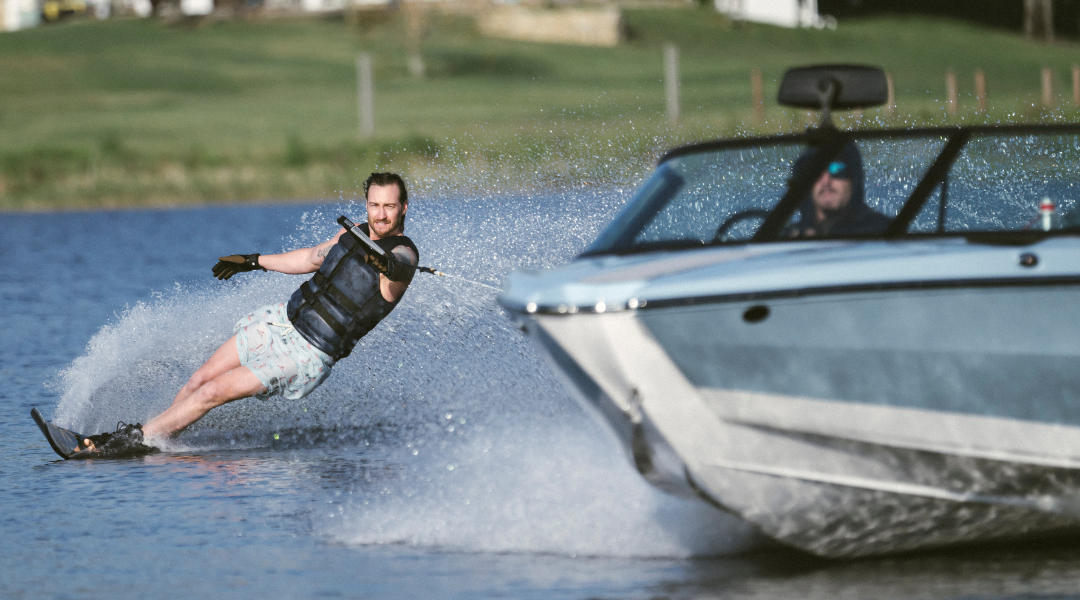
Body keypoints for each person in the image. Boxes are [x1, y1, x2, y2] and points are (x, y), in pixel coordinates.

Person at [77, 172, 419, 458]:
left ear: (403, 207)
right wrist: (253, 261)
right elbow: (310, 258)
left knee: (212, 392)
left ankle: (127, 441)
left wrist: (385, 263)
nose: (381, 214)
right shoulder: (352, 232)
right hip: (280, 323)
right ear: (366, 205)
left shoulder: (404, 255)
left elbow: (398, 272)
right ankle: (156, 440)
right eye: (375, 205)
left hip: (307, 353)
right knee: (199, 381)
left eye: (389, 206)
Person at [785, 142, 890, 238]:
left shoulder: (884, 232)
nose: (826, 181)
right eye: (815, 171)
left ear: (854, 179)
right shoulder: (789, 236)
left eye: (837, 169)